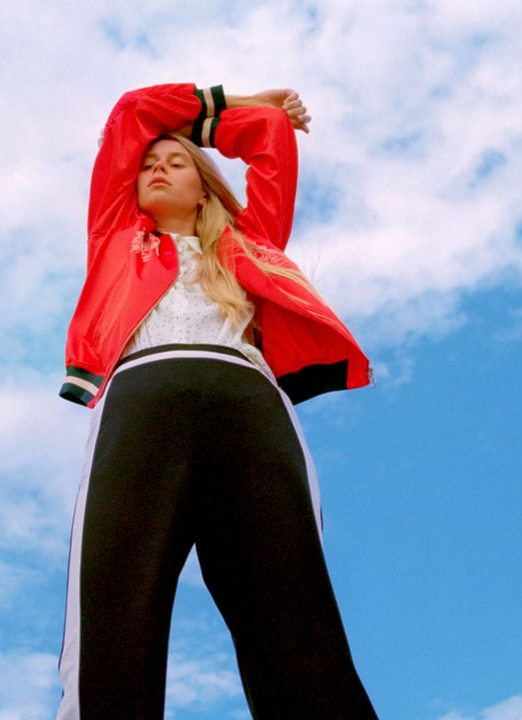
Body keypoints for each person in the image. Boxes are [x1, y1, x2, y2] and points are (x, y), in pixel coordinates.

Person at [55, 83, 377, 719]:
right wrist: (230, 103)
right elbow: (131, 112)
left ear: (204, 185)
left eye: (176, 162)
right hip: (143, 396)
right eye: (148, 164)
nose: (157, 168)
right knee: (115, 597)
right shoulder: (116, 233)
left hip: (248, 403)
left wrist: (243, 120)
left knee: (290, 603)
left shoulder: (250, 240)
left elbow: (271, 142)